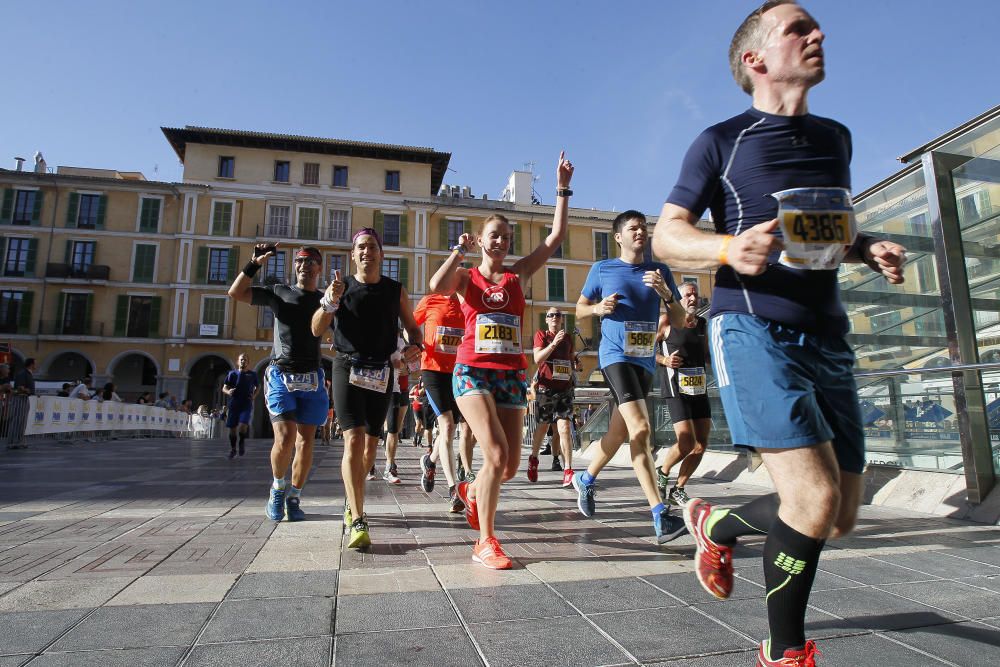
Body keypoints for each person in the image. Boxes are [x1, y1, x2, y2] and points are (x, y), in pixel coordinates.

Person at [651, 3, 907, 664]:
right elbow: (667, 233)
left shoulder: (836, 139)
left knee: (838, 512)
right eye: (799, 28)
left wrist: (866, 246)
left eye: (815, 26)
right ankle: (785, 650)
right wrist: (729, 248)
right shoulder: (721, 140)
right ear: (755, 60)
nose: (818, 34)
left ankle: (714, 522)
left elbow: (823, 231)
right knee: (813, 498)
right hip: (752, 327)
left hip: (828, 335)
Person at [430, 152, 574, 570]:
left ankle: (473, 490)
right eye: (494, 235)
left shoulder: (518, 276)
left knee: (508, 466)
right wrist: (458, 253)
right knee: (493, 453)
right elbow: (437, 283)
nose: (502, 241)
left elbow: (556, 237)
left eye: (507, 237)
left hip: (511, 376)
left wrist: (562, 186)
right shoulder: (466, 277)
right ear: (481, 239)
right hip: (471, 372)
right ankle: (485, 541)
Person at [573, 210, 686, 544]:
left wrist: (666, 294)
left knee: (619, 431)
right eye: (633, 228)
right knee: (641, 428)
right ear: (618, 237)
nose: (640, 232)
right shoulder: (602, 269)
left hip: (645, 361)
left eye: (643, 228)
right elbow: (579, 309)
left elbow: (679, 320)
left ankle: (586, 478)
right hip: (614, 357)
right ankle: (659, 514)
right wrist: (598, 309)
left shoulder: (660, 272)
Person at [311, 228, 421, 550]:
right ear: (353, 254)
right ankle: (358, 518)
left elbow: (413, 328)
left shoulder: (394, 290)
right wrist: (329, 301)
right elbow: (316, 327)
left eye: (371, 247)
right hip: (346, 366)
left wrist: (415, 345)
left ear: (381, 254)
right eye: (360, 247)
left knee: (370, 449)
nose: (366, 252)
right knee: (353, 439)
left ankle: (351, 499)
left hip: (382, 371)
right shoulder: (340, 287)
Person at [230, 243, 330, 523]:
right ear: (294, 266)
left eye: (310, 261)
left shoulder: (325, 301)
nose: (304, 265)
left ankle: (295, 496)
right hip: (280, 375)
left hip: (312, 376)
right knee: (285, 438)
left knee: (306, 442)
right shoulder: (279, 292)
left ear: (319, 268)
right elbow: (236, 292)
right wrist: (253, 264)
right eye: (299, 261)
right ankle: (277, 488)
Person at [655, 281, 712, 506]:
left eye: (695, 295)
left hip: (699, 388)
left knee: (701, 445)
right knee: (686, 441)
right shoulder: (666, 321)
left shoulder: (702, 324)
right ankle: (664, 469)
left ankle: (678, 488)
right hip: (675, 387)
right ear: (677, 299)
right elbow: (645, 351)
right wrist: (665, 360)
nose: (692, 299)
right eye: (688, 295)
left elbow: (706, 354)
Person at [413, 292, 467, 512]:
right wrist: (415, 344)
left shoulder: (467, 301)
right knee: (447, 426)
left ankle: (430, 460)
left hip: (459, 371)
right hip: (433, 370)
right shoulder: (430, 300)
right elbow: (411, 324)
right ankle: (454, 489)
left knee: (449, 428)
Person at [526, 308, 579, 487]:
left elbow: (571, 359)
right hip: (545, 388)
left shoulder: (569, 339)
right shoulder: (541, 335)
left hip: (564, 389)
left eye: (558, 315)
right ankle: (533, 459)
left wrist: (575, 364)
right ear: (547, 320)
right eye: (551, 315)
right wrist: (553, 344)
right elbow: (537, 359)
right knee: (543, 427)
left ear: (562, 320)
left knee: (564, 427)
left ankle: (568, 469)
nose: (555, 317)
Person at [380, 332, 410, 485]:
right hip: (373, 387)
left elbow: (406, 368)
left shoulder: (400, 343)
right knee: (369, 431)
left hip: (394, 389)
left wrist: (402, 364)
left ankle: (389, 466)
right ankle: (369, 465)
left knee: (393, 429)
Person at [221, 353, 260, 459]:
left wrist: (254, 396)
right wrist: (228, 392)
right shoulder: (232, 374)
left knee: (243, 425)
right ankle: (233, 449)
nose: (243, 361)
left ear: (248, 362)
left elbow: (258, 387)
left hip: (246, 403)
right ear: (238, 361)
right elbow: (224, 388)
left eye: (245, 360)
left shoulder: (252, 375)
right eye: (241, 359)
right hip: (234, 404)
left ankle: (241, 442)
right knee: (232, 429)